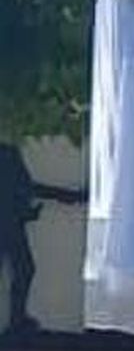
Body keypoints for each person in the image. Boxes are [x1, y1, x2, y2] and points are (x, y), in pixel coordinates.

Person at [0, 144, 84, 338]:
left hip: (11, 221)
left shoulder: (8, 150)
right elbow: (21, 187)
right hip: (9, 222)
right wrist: (67, 196)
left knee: (24, 269)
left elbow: (20, 187)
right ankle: (17, 321)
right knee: (24, 269)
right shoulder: (7, 151)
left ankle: (17, 321)